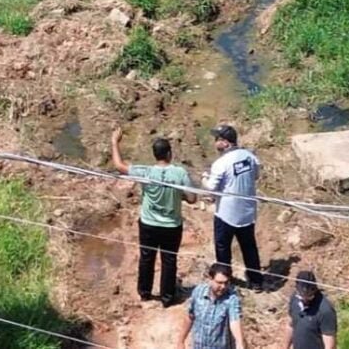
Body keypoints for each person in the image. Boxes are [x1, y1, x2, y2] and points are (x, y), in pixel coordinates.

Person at [111, 128, 196, 307]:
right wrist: (176, 194)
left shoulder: (146, 172)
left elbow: (119, 166)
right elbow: (192, 198)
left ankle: (145, 293)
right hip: (172, 225)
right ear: (169, 153)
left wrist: (114, 142)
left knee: (147, 257)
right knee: (169, 260)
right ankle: (167, 297)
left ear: (155, 155)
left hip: (149, 224)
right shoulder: (180, 173)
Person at [201, 124, 264, 291]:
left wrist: (204, 179)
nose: (215, 143)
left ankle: (225, 280)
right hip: (247, 212)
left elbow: (212, 188)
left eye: (218, 140)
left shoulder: (221, 163)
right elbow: (256, 175)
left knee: (223, 249)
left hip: (226, 214)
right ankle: (256, 281)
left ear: (226, 143)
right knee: (249, 247)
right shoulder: (250, 157)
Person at [177, 262, 246, 349]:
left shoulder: (231, 299)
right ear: (210, 279)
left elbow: (234, 321)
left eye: (226, 283)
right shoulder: (198, 292)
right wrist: (181, 341)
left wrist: (239, 343)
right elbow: (190, 316)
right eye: (219, 283)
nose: (223, 286)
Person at [281, 271, 337, 349]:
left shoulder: (325, 311)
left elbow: (330, 345)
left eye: (309, 296)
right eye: (302, 296)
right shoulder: (294, 299)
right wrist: (285, 347)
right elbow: (290, 326)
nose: (305, 300)